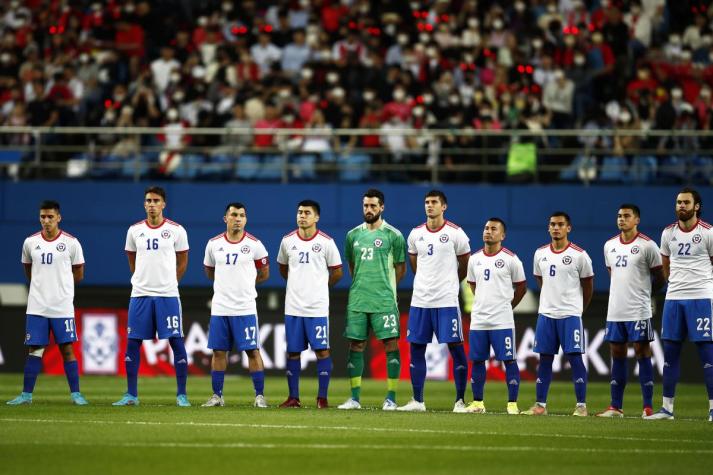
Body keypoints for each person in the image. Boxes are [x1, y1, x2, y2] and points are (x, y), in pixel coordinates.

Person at [113, 186, 191, 407]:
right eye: (148, 200)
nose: (152, 204)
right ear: (144, 204)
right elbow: (132, 260)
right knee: (133, 343)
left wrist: (170, 282)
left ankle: (182, 394)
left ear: (164, 204)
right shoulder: (134, 230)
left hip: (168, 295)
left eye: (156, 200)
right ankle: (131, 394)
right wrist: (142, 279)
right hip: (140, 294)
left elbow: (183, 261)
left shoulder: (177, 230)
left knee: (176, 341)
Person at [397, 190, 471, 412]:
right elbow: (414, 262)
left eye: (434, 202)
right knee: (416, 349)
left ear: (444, 207)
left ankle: (459, 401)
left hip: (447, 302)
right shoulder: (415, 234)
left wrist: (450, 281)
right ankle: (418, 401)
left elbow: (465, 264)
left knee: (456, 349)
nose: (429, 206)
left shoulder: (456, 233)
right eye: (427, 202)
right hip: (420, 301)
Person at [7, 200, 87, 405]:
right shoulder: (30, 242)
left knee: (67, 349)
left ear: (59, 218)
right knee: (35, 349)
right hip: (37, 306)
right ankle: (26, 395)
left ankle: (76, 394)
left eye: (50, 217)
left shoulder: (71, 243)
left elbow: (78, 273)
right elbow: (28, 270)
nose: (46, 221)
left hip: (62, 306)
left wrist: (63, 289)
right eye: (43, 216)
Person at [645, 188, 713, 421]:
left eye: (686, 202)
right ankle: (667, 409)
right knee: (670, 354)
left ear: (696, 207)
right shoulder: (668, 233)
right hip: (674, 298)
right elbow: (665, 264)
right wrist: (673, 283)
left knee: (707, 354)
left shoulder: (708, 232)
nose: (681, 206)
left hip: (701, 298)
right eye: (678, 202)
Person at [338, 189, 406, 410]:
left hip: (384, 301)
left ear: (382, 207)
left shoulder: (393, 235)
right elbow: (352, 266)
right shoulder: (352, 235)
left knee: (390, 344)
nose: (368, 210)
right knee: (356, 345)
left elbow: (400, 268)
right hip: (358, 300)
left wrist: (386, 288)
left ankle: (391, 398)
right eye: (366, 206)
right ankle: (355, 398)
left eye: (373, 206)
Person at [522, 211, 594, 416]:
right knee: (544, 359)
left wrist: (578, 308)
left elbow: (588, 285)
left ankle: (581, 406)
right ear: (548, 227)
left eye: (560, 224)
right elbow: (540, 279)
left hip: (570, 315)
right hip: (546, 314)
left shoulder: (579, 255)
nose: (556, 228)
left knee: (575, 358)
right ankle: (540, 405)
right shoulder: (540, 253)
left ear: (568, 228)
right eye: (552, 224)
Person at [597, 204, 664, 418]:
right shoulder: (609, 245)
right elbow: (613, 273)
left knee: (642, 352)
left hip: (639, 309)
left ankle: (647, 407)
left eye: (627, 216)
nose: (621, 219)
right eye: (619, 216)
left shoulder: (648, 245)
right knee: (617, 353)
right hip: (616, 309)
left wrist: (646, 294)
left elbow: (660, 276)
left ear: (637, 220)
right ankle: (615, 407)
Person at [201, 203, 270, 408]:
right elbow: (209, 271)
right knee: (219, 352)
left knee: (252, 351)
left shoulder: (255, 245)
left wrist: (246, 284)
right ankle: (217, 396)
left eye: (241, 215)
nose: (237, 218)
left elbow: (264, 273)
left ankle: (259, 396)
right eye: (233, 215)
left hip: (245, 308)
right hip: (220, 307)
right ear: (226, 218)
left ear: (245, 219)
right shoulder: (213, 244)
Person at [277, 200, 343, 408]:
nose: (302, 216)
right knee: (293, 352)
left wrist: (321, 287)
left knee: (322, 351)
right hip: (293, 307)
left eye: (307, 212)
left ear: (317, 217)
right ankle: (293, 397)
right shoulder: (287, 241)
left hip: (317, 308)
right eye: (299, 212)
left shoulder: (326, 242)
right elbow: (283, 268)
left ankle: (322, 398)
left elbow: (337, 272)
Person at [465, 218, 527, 415]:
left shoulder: (511, 259)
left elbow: (522, 288)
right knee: (477, 360)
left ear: (502, 235)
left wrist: (506, 306)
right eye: (486, 228)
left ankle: (512, 404)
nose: (488, 232)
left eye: (493, 229)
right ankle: (477, 403)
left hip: (502, 320)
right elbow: (472, 285)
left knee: (509, 360)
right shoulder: (474, 259)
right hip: (479, 320)